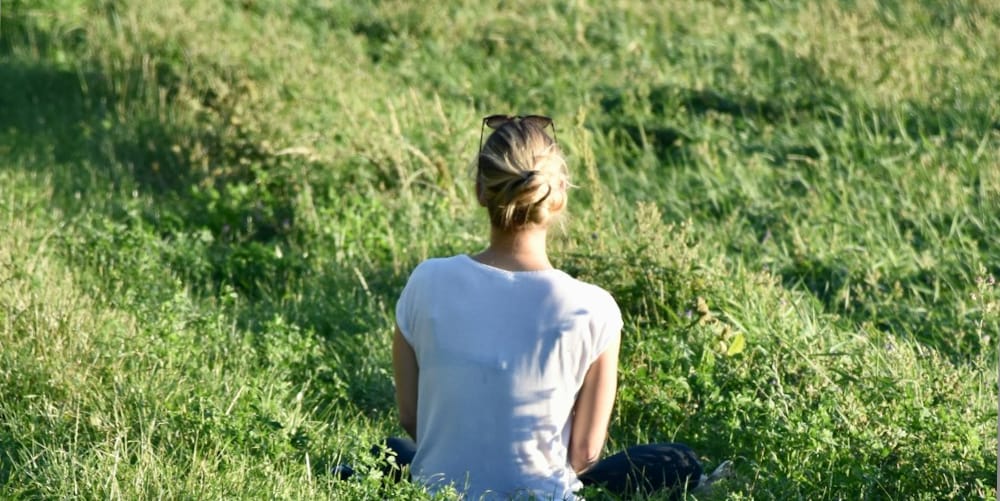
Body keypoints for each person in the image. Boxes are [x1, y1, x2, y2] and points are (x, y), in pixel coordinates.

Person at [384, 115, 715, 500]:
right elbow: (585, 454)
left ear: (480, 190)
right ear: (558, 196)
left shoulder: (427, 280)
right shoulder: (594, 308)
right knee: (676, 460)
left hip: (437, 491)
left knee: (391, 452)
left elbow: (412, 417)